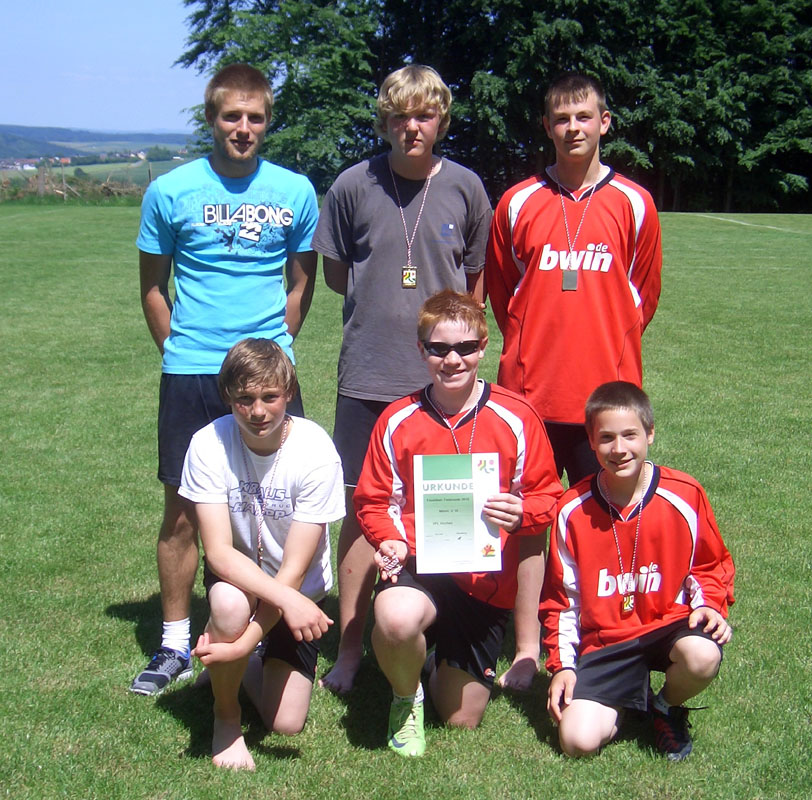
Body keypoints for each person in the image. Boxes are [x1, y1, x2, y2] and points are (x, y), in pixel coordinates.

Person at [132, 63, 319, 695]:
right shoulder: (170, 190)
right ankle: (174, 642)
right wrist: (183, 351)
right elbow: (152, 288)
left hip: (268, 371)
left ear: (267, 122)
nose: (243, 127)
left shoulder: (295, 190)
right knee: (184, 511)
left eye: (255, 117)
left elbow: (301, 283)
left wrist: (275, 349)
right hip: (192, 371)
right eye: (231, 116)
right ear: (211, 118)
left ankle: (270, 628)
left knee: (279, 504)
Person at [311, 65, 493, 694]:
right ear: (384, 121)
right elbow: (338, 274)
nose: (412, 127)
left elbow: (475, 284)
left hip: (443, 381)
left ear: (441, 119)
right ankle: (350, 648)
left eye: (424, 115)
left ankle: (442, 636)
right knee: (361, 513)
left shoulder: (466, 187)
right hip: (368, 375)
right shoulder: (352, 185)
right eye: (399, 116)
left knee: (448, 506)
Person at [354, 290, 562, 757]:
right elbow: (373, 500)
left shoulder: (516, 415)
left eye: (465, 348)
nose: (452, 360)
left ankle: (429, 660)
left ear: (483, 347)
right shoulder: (397, 419)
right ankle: (405, 698)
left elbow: (548, 493)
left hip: (483, 582)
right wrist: (391, 540)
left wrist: (521, 512)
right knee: (395, 619)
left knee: (461, 719)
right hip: (420, 565)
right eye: (439, 348)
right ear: (421, 349)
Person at [540, 381, 735, 761]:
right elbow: (562, 600)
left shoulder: (685, 494)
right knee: (577, 742)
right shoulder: (571, 508)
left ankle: (665, 707)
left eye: (630, 435)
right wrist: (562, 666)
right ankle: (627, 701)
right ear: (591, 441)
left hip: (668, 626)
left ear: (650, 433)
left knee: (702, 655)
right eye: (606, 438)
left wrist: (709, 605)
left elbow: (709, 564)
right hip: (607, 641)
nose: (619, 449)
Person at [486, 72, 662, 486]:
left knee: (604, 514)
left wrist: (608, 339)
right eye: (562, 119)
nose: (573, 128)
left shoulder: (635, 203)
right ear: (547, 126)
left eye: (584, 117)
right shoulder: (517, 202)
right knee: (523, 514)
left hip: (606, 400)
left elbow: (643, 297)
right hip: (529, 397)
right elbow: (504, 294)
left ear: (605, 121)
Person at [180, 338, 344, 770]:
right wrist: (285, 604)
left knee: (285, 722)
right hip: (240, 579)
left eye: (270, 397)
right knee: (230, 606)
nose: (257, 411)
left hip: (297, 586)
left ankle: (228, 657)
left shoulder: (315, 451)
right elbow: (218, 553)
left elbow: (294, 572)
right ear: (227, 397)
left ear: (289, 393)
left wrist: (242, 647)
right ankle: (226, 717)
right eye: (244, 399)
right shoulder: (208, 444)